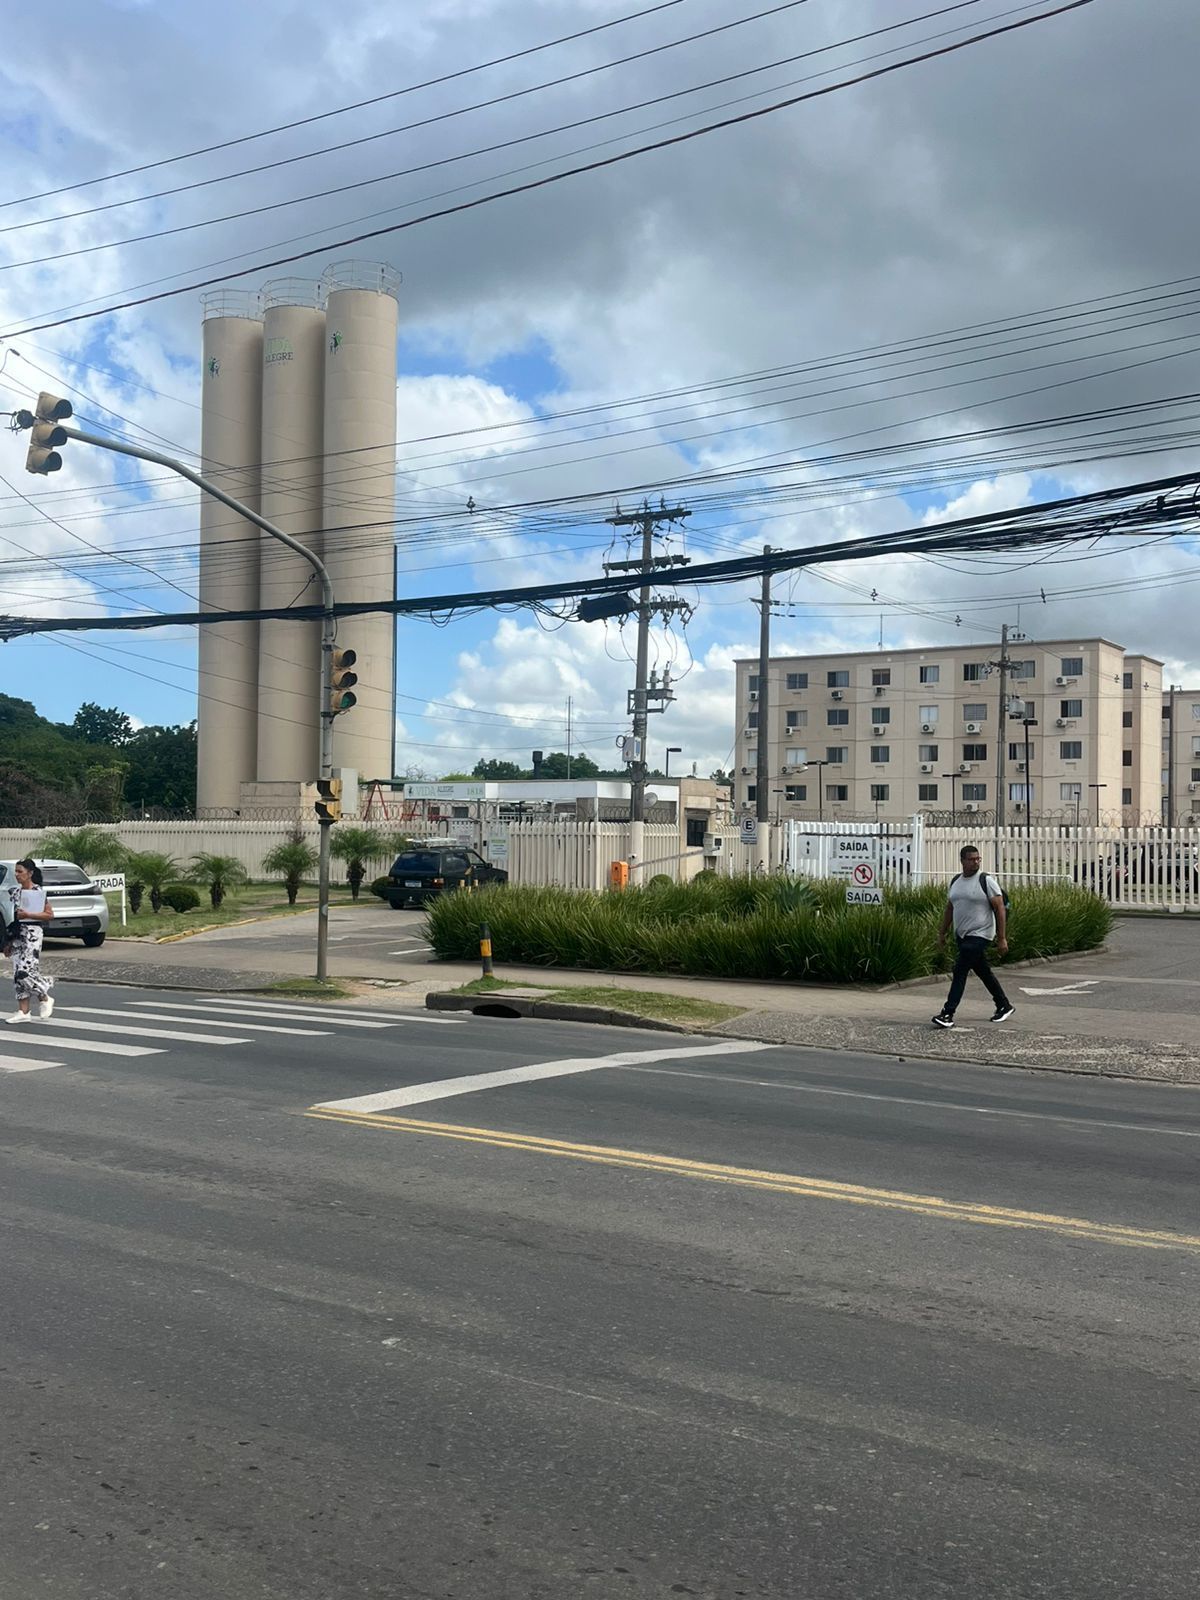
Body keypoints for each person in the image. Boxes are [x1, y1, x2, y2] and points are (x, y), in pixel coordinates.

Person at [932, 844, 1014, 1029]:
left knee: (959, 969)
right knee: (983, 971)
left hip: (981, 934)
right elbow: (950, 908)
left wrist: (1002, 938)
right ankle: (1003, 1005)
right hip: (963, 935)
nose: (975, 862)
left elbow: (1000, 908)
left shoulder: (986, 880)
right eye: (971, 859)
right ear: (962, 861)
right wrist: (942, 933)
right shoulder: (956, 882)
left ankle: (947, 1013)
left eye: (978, 859)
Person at [4, 859, 55, 1024]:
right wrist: (8, 942)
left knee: (25, 972)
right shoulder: (16, 892)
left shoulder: (38, 892)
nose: (17, 875)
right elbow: (14, 917)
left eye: (20, 872)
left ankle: (44, 995)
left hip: (32, 933)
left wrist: (29, 915)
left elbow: (49, 915)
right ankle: (23, 1010)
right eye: (16, 872)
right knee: (17, 974)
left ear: (30, 873)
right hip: (18, 934)